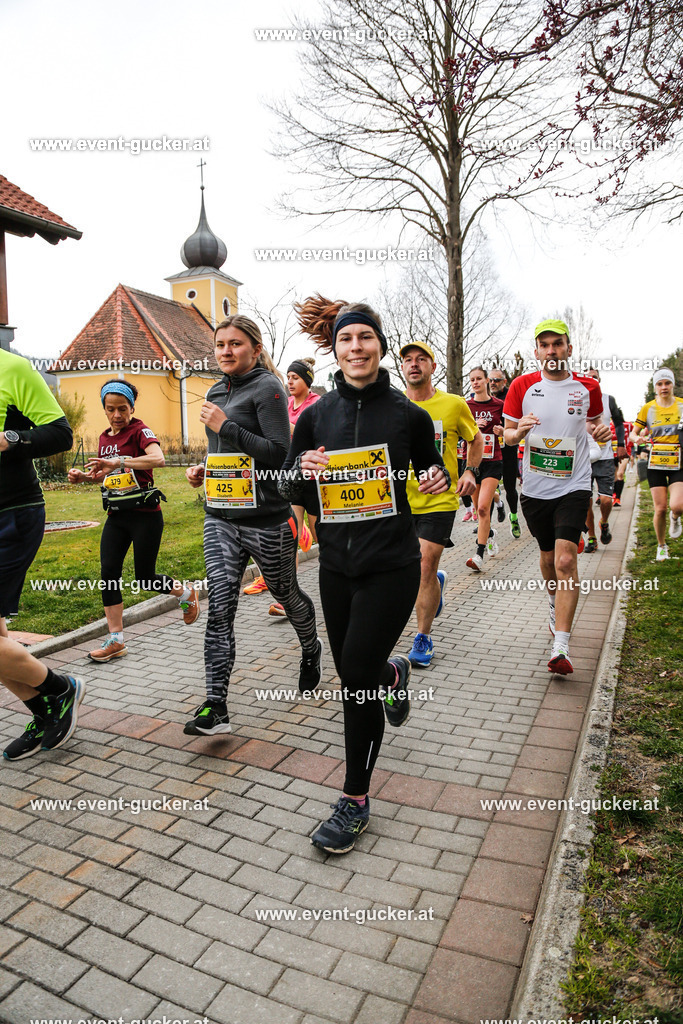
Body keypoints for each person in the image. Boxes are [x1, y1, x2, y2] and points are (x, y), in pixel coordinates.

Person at [280, 296, 449, 853]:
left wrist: (431, 482)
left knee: (353, 674)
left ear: (380, 345)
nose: (357, 348)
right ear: (336, 347)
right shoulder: (315, 415)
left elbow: (433, 474)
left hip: (391, 566)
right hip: (336, 567)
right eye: (347, 339)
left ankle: (355, 798)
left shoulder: (409, 415)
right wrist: (300, 473)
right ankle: (393, 676)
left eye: (366, 338)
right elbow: (293, 487)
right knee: (363, 668)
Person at [184, 315, 321, 735]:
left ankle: (311, 647)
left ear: (255, 349)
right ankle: (215, 706)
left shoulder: (269, 389)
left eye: (235, 344)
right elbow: (223, 453)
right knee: (220, 606)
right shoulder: (214, 389)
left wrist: (225, 425)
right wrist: (203, 469)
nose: (225, 351)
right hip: (220, 516)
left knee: (285, 592)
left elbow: (280, 454)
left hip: (266, 519)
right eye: (220, 344)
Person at [503, 319, 612, 674]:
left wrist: (601, 432)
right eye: (545, 345)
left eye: (558, 344)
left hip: (574, 485)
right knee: (548, 558)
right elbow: (506, 437)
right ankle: (553, 601)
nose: (552, 351)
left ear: (569, 348)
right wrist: (517, 431)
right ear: (536, 352)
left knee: (566, 561)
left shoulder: (588, 387)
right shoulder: (521, 386)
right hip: (534, 489)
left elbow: (599, 429)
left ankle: (561, 646)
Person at [68, 380, 199, 662]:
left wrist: (121, 462)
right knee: (108, 573)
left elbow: (158, 459)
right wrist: (86, 477)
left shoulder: (140, 430)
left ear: (132, 407)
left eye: (123, 409)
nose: (117, 415)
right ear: (104, 409)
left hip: (145, 516)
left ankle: (186, 593)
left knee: (145, 578)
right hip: (116, 516)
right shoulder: (104, 438)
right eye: (111, 409)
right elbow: (105, 474)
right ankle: (115, 639)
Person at [0, 346, 84, 759]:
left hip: (12, 516)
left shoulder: (11, 368)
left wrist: (10, 438)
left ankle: (61, 689)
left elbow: (61, 435)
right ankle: (47, 709)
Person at [401, 341, 482, 666]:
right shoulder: (393, 405)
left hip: (440, 498)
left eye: (422, 359)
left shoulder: (453, 404)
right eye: (408, 360)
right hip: (399, 501)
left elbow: (475, 439)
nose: (414, 364)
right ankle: (437, 582)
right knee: (410, 571)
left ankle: (423, 637)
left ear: (433, 367)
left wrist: (472, 472)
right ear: (402, 367)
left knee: (423, 564)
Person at [268, 357, 320, 617]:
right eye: (287, 377)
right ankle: (288, 599)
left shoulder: (317, 404)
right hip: (291, 479)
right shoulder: (285, 404)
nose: (289, 381)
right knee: (290, 539)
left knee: (323, 538)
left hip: (315, 481)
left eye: (295, 377)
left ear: (307, 381)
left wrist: (284, 426)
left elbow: (307, 434)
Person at [630, 367, 683, 561]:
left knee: (677, 506)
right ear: (655, 387)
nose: (664, 387)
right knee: (660, 508)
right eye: (659, 384)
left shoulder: (682, 406)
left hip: (678, 461)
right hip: (656, 462)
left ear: (673, 384)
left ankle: (675, 518)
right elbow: (633, 433)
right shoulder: (648, 408)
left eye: (667, 383)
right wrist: (638, 439)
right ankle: (662, 546)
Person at [465, 367, 505, 572]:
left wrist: (502, 431)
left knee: (482, 508)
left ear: (487, 381)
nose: (475, 382)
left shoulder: (499, 405)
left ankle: (478, 555)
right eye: (472, 380)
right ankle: (489, 535)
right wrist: (474, 427)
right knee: (480, 512)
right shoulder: (465, 405)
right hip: (473, 462)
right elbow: (459, 434)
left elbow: (510, 433)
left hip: (493, 460)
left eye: (479, 379)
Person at [581, 367, 626, 552]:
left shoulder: (608, 399)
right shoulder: (576, 399)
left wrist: (621, 444)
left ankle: (604, 522)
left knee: (606, 500)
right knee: (586, 502)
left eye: (595, 377)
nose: (592, 380)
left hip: (606, 456)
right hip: (584, 458)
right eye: (588, 377)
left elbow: (619, 422)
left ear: (599, 380)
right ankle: (591, 538)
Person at [489, 368, 522, 538]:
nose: (493, 383)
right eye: (491, 380)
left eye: (497, 380)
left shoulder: (511, 397)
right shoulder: (485, 399)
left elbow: (517, 423)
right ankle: (485, 525)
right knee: (488, 488)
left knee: (510, 487)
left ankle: (514, 517)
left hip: (508, 450)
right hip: (491, 452)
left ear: (504, 382)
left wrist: (506, 430)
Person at [612, 419, 634, 506]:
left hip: (625, 452)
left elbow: (635, 432)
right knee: (614, 475)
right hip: (613, 453)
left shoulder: (628, 425)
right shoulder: (608, 425)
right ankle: (614, 494)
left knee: (620, 474)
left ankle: (618, 498)